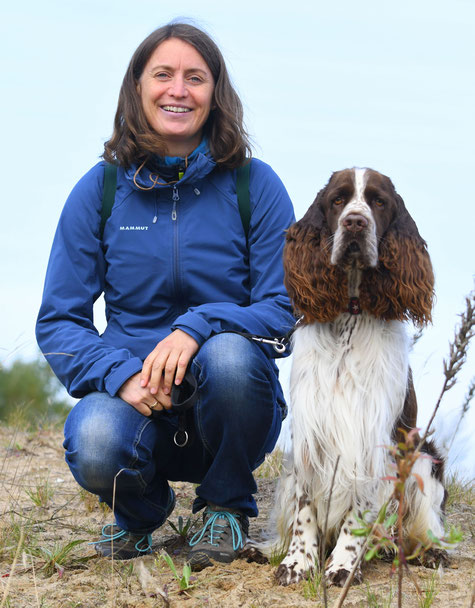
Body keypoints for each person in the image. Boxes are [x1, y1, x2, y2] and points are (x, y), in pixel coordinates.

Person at [36, 22, 295, 570]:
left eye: (195, 77)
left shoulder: (257, 186)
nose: (178, 90)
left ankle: (225, 505)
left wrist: (198, 326)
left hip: (233, 398)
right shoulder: (100, 190)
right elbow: (60, 321)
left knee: (226, 355)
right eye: (163, 74)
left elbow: (286, 307)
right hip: (137, 396)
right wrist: (119, 376)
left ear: (215, 93)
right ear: (137, 87)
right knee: (96, 436)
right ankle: (141, 514)